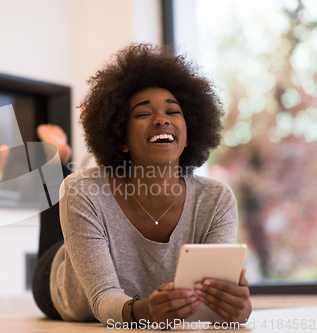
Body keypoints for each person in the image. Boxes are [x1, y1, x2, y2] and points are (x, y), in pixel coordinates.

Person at [32, 43, 252, 327]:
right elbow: (102, 300)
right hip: (59, 284)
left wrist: (236, 310)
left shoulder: (216, 200)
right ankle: (54, 159)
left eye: (173, 112)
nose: (161, 119)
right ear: (121, 139)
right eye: (143, 114)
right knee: (61, 201)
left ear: (189, 134)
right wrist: (144, 312)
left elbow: (213, 302)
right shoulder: (84, 191)